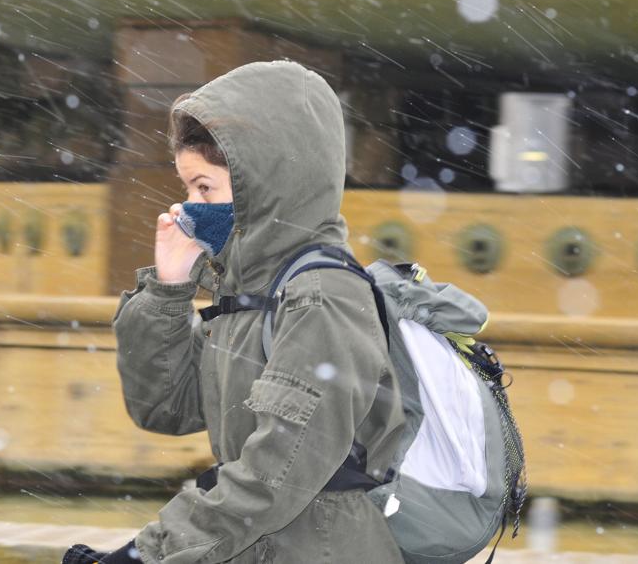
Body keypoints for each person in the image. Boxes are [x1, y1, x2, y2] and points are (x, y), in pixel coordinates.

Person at [63, 60, 406, 564]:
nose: (186, 209)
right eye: (186, 189)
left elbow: (275, 474)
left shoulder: (322, 296)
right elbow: (165, 407)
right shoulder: (248, 299)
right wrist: (169, 289)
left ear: (263, 188)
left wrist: (148, 553)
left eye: (204, 189)